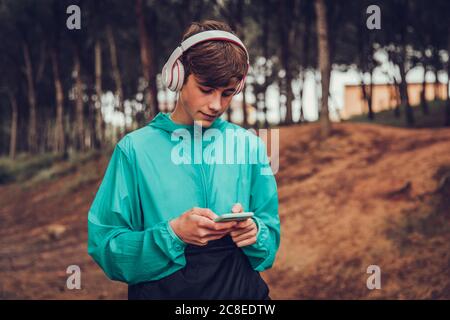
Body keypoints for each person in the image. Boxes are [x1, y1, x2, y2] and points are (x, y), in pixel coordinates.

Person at [87, 20, 280, 300]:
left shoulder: (250, 145)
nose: (216, 104)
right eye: (206, 88)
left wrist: (255, 232)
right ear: (177, 76)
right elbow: (106, 246)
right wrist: (173, 234)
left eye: (227, 93)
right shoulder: (134, 150)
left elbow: (270, 238)